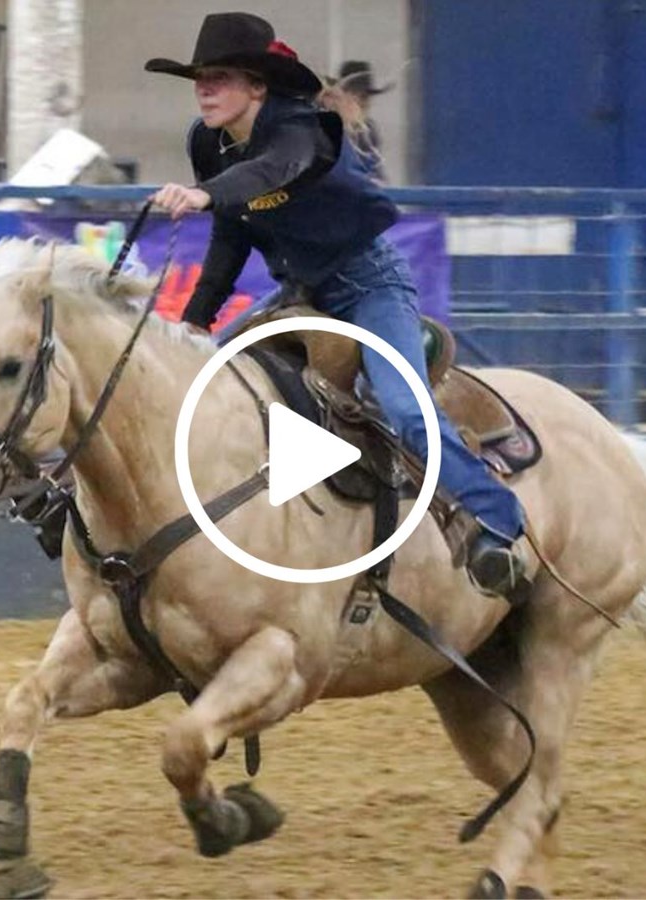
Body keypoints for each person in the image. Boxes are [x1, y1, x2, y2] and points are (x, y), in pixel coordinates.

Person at [143, 12, 526, 597]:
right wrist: (197, 319)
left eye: (219, 77)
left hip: (367, 283)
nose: (204, 89)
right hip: (301, 292)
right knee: (208, 391)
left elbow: (273, 170)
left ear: (258, 86)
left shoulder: (303, 128)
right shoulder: (208, 142)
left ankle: (494, 523)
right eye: (199, 78)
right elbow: (231, 234)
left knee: (401, 407)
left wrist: (203, 193)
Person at [326, 60, 389, 182]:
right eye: (357, 96)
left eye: (366, 97)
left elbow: (376, 173)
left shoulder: (368, 130)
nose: (364, 104)